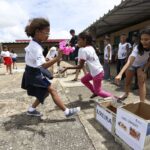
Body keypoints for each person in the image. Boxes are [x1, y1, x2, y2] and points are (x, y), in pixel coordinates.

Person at [21, 18, 80, 117]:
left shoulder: (35, 44)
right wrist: (58, 58)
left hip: (32, 71)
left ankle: (31, 109)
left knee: (44, 93)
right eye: (46, 33)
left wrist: (47, 59)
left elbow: (38, 61)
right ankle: (67, 112)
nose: (48, 35)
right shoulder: (36, 47)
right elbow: (43, 65)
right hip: (34, 73)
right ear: (37, 32)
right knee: (52, 89)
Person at [62, 32, 118, 100]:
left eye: (79, 40)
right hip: (97, 71)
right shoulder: (90, 47)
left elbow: (80, 66)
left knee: (99, 91)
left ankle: (115, 99)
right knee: (83, 80)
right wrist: (78, 57)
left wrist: (67, 68)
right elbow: (89, 57)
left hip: (97, 73)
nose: (77, 42)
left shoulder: (83, 50)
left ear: (85, 40)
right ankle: (95, 92)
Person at [115, 28, 150, 102]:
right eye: (142, 39)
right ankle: (126, 94)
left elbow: (149, 61)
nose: (143, 42)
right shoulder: (137, 48)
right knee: (128, 82)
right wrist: (120, 74)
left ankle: (142, 102)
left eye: (146, 39)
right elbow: (129, 62)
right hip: (132, 65)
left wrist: (145, 70)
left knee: (141, 82)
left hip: (141, 66)